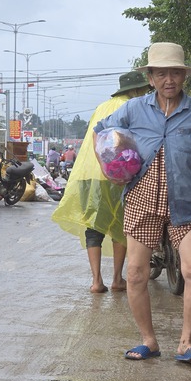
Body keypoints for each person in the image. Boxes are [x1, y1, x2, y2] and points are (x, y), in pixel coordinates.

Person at [93, 42, 191, 365]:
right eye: (161, 73)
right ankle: (148, 340)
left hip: (186, 201)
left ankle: (186, 343)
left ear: (183, 76)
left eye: (174, 73)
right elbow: (101, 133)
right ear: (151, 78)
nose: (168, 79)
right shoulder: (133, 109)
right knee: (137, 272)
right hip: (142, 198)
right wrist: (109, 167)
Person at [52, 71, 152, 294]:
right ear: (135, 91)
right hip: (117, 173)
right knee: (120, 226)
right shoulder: (133, 107)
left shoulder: (101, 107)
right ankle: (117, 279)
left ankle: (96, 281)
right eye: (144, 89)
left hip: (88, 173)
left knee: (94, 227)